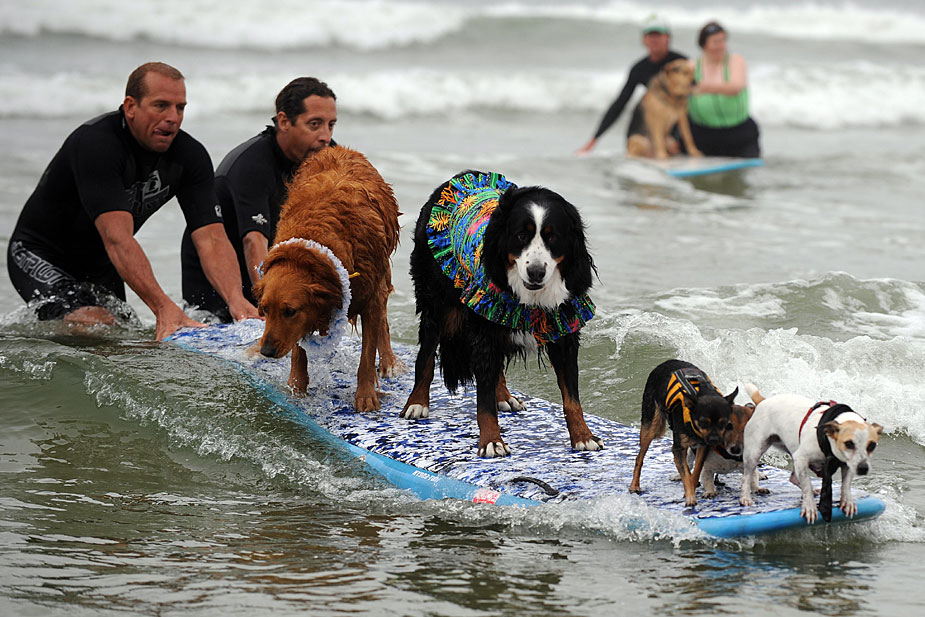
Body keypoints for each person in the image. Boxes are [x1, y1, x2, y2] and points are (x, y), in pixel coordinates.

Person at [6, 62, 259, 340]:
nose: (173, 117)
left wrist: (236, 301)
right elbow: (118, 239)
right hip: (40, 252)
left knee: (122, 336)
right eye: (161, 106)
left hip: (103, 262)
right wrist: (163, 307)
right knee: (94, 325)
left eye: (180, 108)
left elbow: (211, 238)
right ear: (130, 106)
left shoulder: (190, 157)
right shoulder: (97, 144)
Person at [180, 77, 338, 321]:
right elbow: (254, 241)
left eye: (331, 125)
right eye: (314, 125)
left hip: (271, 273)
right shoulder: (252, 165)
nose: (325, 136)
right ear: (284, 121)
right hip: (217, 280)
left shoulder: (327, 157)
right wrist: (270, 306)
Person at [577, 15, 687, 154]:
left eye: (658, 35)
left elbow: (695, 98)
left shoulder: (682, 64)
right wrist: (594, 139)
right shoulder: (639, 68)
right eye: (650, 35)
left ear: (668, 38)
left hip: (674, 126)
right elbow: (620, 103)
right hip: (647, 129)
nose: (654, 39)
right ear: (644, 39)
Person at [687, 21, 761, 158]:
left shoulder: (735, 60)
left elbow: (736, 87)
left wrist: (704, 87)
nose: (721, 46)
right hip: (702, 133)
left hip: (738, 133)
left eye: (723, 41)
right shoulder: (692, 66)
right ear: (703, 44)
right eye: (716, 42)